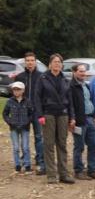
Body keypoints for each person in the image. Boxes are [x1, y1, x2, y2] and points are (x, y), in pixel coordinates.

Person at [35, 54, 76, 184]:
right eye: (55, 62)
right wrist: (40, 115)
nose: (57, 64)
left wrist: (72, 117)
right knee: (49, 145)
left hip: (63, 114)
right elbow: (37, 98)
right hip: (48, 114)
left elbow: (70, 100)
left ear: (62, 65)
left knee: (62, 144)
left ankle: (64, 174)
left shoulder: (65, 80)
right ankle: (52, 175)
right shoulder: (43, 78)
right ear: (50, 64)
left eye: (59, 62)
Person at [15, 52, 45, 174]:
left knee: (39, 137)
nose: (30, 62)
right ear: (25, 62)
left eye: (32, 60)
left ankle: (39, 159)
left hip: (37, 112)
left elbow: (44, 94)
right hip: (24, 113)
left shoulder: (42, 76)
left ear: (35, 62)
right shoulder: (20, 77)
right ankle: (24, 158)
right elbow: (15, 95)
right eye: (27, 60)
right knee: (24, 137)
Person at [69, 64, 95, 180]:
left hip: (90, 119)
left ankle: (92, 170)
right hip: (79, 121)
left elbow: (89, 102)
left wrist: (94, 116)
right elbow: (70, 104)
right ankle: (78, 171)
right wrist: (72, 119)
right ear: (74, 72)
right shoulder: (71, 86)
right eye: (80, 71)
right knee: (79, 146)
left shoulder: (86, 86)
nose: (83, 73)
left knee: (94, 145)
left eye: (84, 71)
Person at [3, 82, 33, 173]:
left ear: (23, 91)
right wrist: (10, 122)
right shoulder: (9, 101)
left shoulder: (27, 101)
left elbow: (31, 113)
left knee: (25, 147)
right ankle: (17, 164)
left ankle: (27, 164)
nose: (16, 91)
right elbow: (5, 113)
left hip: (25, 127)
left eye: (18, 89)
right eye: (14, 90)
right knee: (16, 147)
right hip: (14, 127)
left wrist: (27, 121)